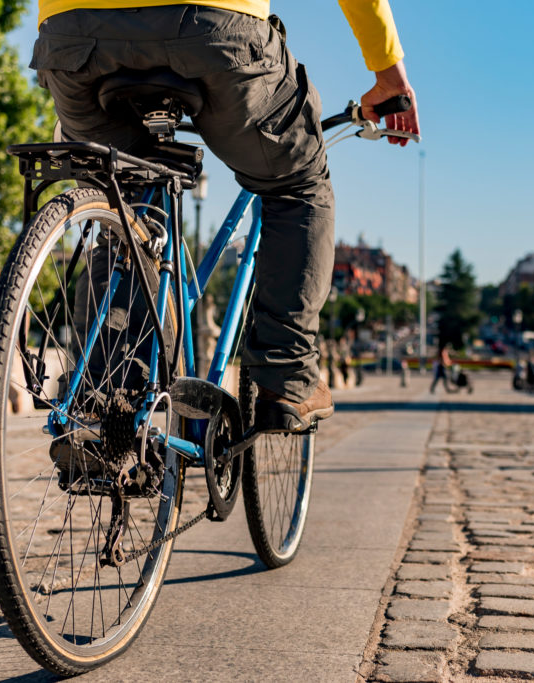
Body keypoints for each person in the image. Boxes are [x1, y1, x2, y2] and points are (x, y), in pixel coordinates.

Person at [30, 1, 420, 432]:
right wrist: (388, 71)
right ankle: (287, 376)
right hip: (215, 29)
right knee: (299, 182)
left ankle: (102, 388)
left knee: (127, 202)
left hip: (72, 38)